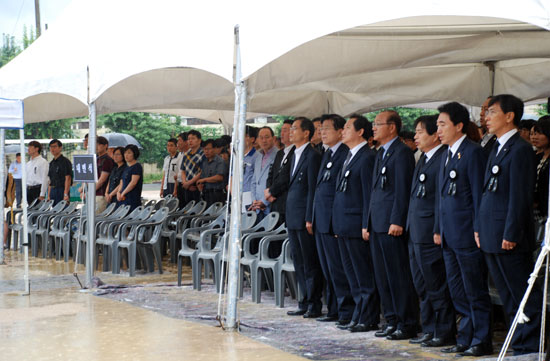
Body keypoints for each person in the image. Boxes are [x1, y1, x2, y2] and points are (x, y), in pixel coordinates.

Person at [480, 94, 542, 356]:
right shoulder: (495, 147)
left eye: (492, 112)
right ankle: (516, 340)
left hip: (508, 235)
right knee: (506, 294)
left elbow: (520, 197)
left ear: (509, 116)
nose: (486, 117)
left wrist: (511, 233)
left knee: (522, 294)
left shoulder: (520, 149)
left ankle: (529, 345)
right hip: (492, 232)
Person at [435, 102, 492, 357]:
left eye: (443, 124)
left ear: (459, 126)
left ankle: (481, 339)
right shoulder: (446, 154)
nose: (438, 129)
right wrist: (438, 228)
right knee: (457, 290)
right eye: (437, 125)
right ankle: (466, 335)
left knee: (474, 290)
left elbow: (479, 196)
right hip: (449, 234)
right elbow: (441, 197)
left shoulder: (472, 152)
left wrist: (478, 228)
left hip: (468, 233)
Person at [366, 110, 418, 341]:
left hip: (391, 224)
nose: (373, 128)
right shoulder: (381, 153)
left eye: (378, 124)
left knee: (397, 275)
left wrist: (397, 220)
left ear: (392, 127)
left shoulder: (402, 153)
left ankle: (406, 322)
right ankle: (392, 319)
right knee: (383, 276)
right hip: (377, 223)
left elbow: (402, 190)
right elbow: (375, 192)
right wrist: (367, 222)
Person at [406, 115, 456, 347]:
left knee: (436, 285)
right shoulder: (424, 159)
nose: (415, 136)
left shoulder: (442, 159)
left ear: (434, 135)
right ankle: (428, 328)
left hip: (430, 232)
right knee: (422, 284)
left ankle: (443, 330)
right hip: (415, 231)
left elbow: (439, 200)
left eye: (419, 132)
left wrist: (438, 229)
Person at [331, 114, 379, 332]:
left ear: (360, 132)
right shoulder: (349, 156)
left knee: (363, 274)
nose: (343, 131)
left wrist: (365, 224)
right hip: (343, 223)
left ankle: (367, 317)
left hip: (356, 223)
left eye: (348, 127)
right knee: (351, 274)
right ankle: (358, 314)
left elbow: (368, 193)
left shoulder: (367, 157)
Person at [312, 114, 353, 325]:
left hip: (334, 222)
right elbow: (319, 190)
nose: (322, 132)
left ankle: (346, 311)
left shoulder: (345, 154)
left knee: (339, 269)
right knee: (328, 269)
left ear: (340, 131)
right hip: (321, 220)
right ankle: (334, 309)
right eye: (320, 129)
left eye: (327, 128)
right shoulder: (326, 154)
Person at [285, 117, 323, 318]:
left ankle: (314, 303)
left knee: (310, 262)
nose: (291, 132)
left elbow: (311, 189)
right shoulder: (294, 154)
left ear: (306, 133)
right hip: (292, 215)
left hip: (304, 217)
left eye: (294, 129)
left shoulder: (312, 155)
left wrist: (310, 217)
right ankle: (303, 300)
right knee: (298, 261)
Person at [265, 119, 294, 224]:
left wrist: (271, 191)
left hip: (285, 202)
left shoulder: (296, 152)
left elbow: (285, 177)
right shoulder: (280, 153)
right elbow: (271, 174)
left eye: (285, 130)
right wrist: (268, 189)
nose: (282, 134)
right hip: (274, 202)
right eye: (281, 130)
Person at [249, 127, 277, 220]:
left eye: (267, 137)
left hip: (270, 205)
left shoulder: (279, 155)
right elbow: (254, 181)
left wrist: (264, 202)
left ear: (273, 138)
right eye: (261, 137)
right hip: (257, 207)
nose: (264, 140)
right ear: (257, 140)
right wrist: (254, 201)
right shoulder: (258, 156)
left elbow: (277, 182)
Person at [531, 116, 550, 246]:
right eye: (533, 133)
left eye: (539, 133)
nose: (535, 137)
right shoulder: (539, 157)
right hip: (538, 214)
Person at [196, 139, 226, 206]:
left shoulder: (220, 161)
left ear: (215, 149)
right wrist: (200, 184)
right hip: (206, 194)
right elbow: (202, 177)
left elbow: (219, 177)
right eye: (204, 149)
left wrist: (204, 180)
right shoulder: (205, 162)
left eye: (208, 149)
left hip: (217, 194)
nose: (206, 151)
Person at [180, 130, 204, 205]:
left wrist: (189, 183)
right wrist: (185, 183)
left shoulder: (203, 154)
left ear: (199, 140)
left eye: (193, 138)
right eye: (189, 139)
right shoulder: (186, 154)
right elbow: (183, 170)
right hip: (186, 187)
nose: (190, 141)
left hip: (197, 187)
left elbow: (202, 172)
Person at [116, 144, 143, 211]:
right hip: (123, 198)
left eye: (129, 153)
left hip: (132, 199)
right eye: (125, 153)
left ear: (134, 154)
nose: (126, 155)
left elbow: (133, 183)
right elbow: (122, 181)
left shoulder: (137, 167)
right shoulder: (127, 167)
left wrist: (123, 193)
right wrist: (118, 192)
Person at [47, 139, 72, 206]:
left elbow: (68, 178)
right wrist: (48, 195)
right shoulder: (51, 163)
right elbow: (50, 180)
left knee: (62, 210)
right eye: (51, 147)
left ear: (60, 148)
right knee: (54, 211)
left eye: (55, 146)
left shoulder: (65, 162)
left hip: (61, 190)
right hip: (53, 190)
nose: (52, 149)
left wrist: (66, 193)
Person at [94, 136, 114, 213]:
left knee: (98, 218)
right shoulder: (97, 159)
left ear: (106, 145)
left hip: (101, 194)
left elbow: (102, 179)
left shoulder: (107, 160)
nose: (96, 146)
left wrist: (92, 190)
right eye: (95, 144)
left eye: (98, 144)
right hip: (95, 193)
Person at [242, 126, 259, 209]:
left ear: (252, 139)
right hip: (237, 194)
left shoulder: (257, 156)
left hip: (249, 195)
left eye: (244, 136)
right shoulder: (237, 156)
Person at [175, 132, 188, 208]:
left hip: (187, 185)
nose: (178, 143)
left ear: (186, 142)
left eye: (179, 140)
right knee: (181, 206)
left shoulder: (190, 155)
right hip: (180, 184)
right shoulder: (180, 155)